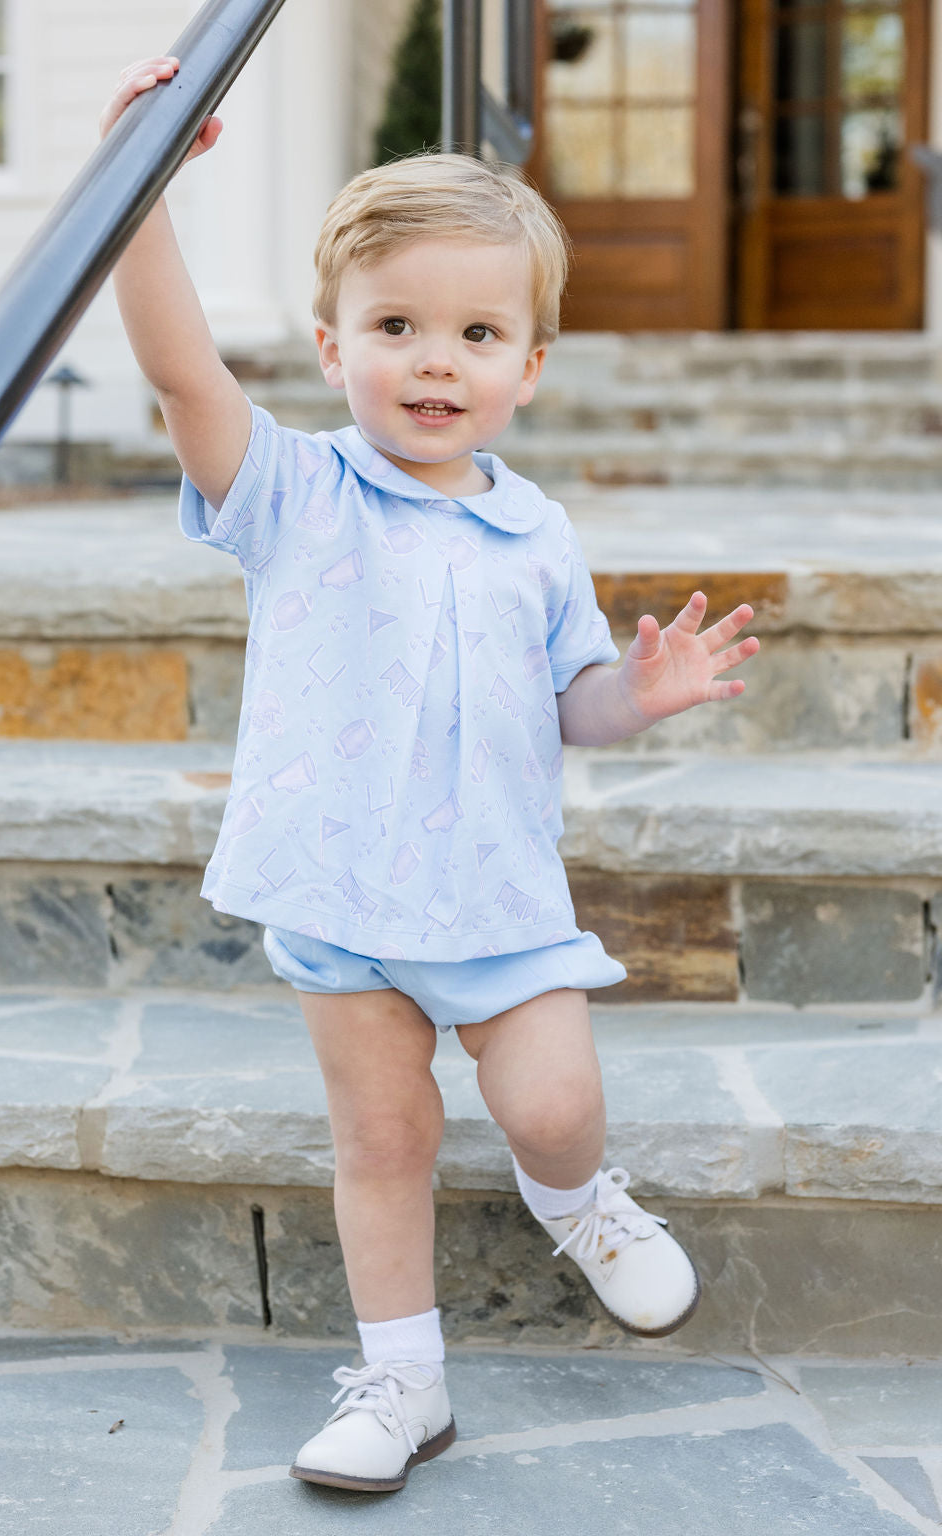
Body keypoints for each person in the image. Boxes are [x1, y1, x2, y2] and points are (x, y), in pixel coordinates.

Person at [102, 56, 759, 1495]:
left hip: (497, 893)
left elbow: (575, 705)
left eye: (477, 332)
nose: (435, 361)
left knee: (551, 1103)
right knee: (384, 1136)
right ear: (332, 347)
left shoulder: (538, 535)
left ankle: (575, 1202)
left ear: (529, 365)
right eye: (394, 326)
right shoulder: (294, 493)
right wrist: (140, 190)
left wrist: (636, 696)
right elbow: (181, 369)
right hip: (342, 893)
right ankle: (404, 1381)